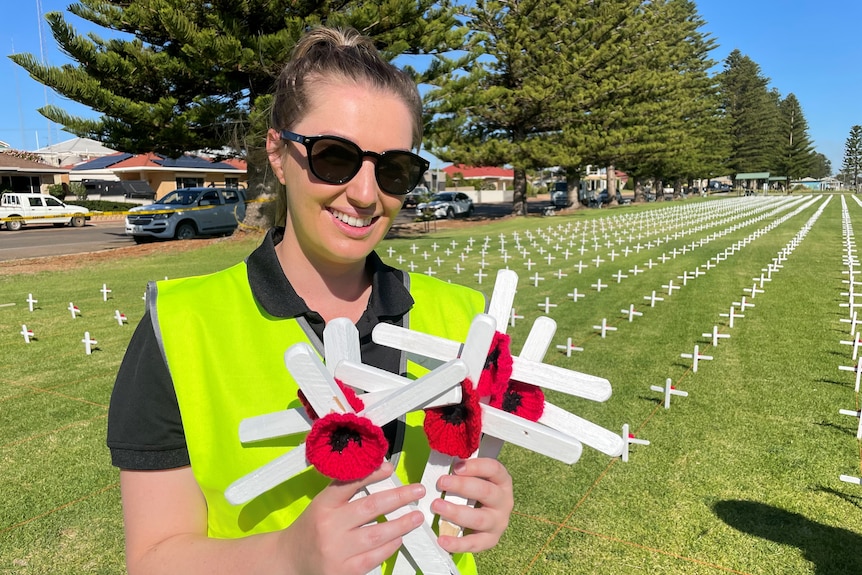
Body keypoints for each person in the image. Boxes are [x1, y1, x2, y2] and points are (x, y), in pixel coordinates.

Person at [107, 26, 513, 575]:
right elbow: (153, 559)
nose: (367, 194)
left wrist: (484, 503)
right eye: (334, 156)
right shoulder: (181, 326)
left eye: (394, 170)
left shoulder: (466, 320)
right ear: (278, 154)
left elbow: (463, 486)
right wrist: (286, 555)